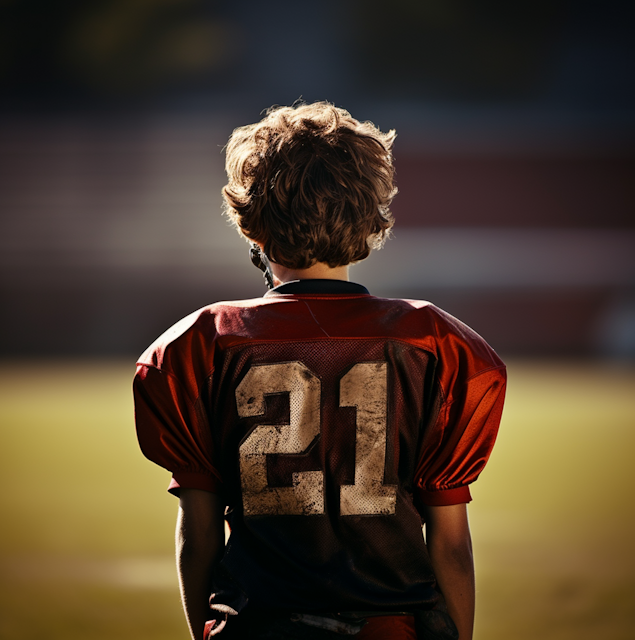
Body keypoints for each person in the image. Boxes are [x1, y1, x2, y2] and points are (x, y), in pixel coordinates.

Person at [133, 102, 506, 640]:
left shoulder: (204, 342)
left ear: (251, 223)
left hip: (260, 627)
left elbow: (201, 532)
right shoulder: (434, 342)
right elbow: (450, 545)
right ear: (369, 215)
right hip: (390, 626)